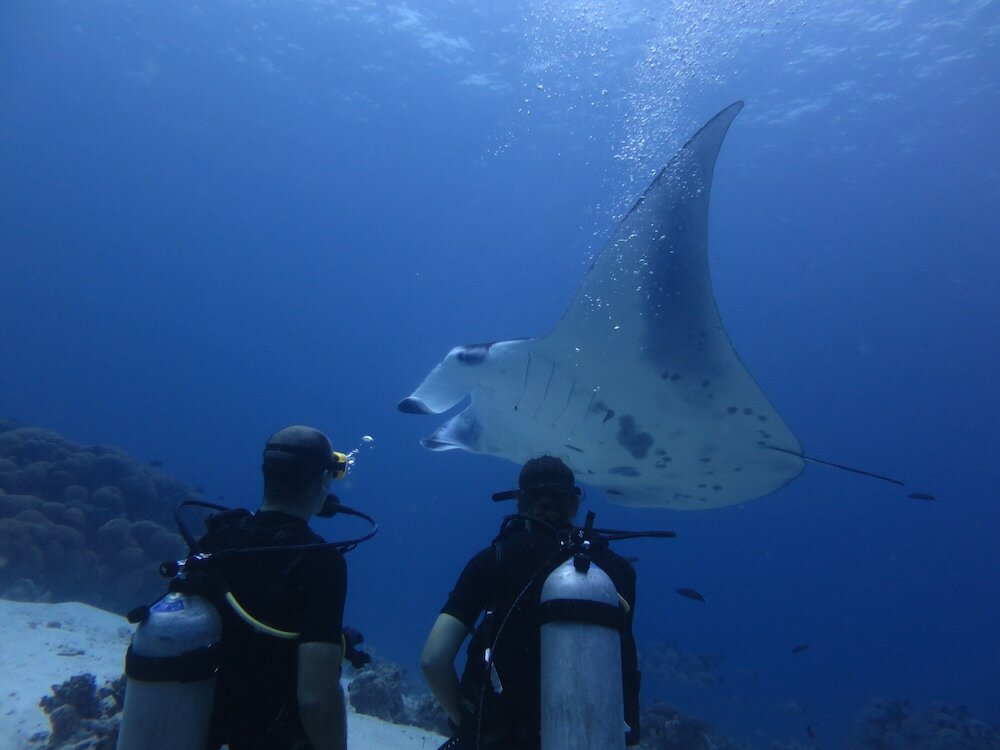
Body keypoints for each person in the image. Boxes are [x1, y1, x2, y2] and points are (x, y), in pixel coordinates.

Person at [421, 456, 641, 749]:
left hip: (501, 738)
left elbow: (433, 659)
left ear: (519, 502)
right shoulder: (616, 571)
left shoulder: (493, 560)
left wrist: (468, 723)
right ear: (574, 503)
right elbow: (625, 668)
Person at [196, 425, 350, 750]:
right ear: (324, 480)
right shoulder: (321, 562)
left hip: (197, 731)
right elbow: (315, 700)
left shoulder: (217, 536)